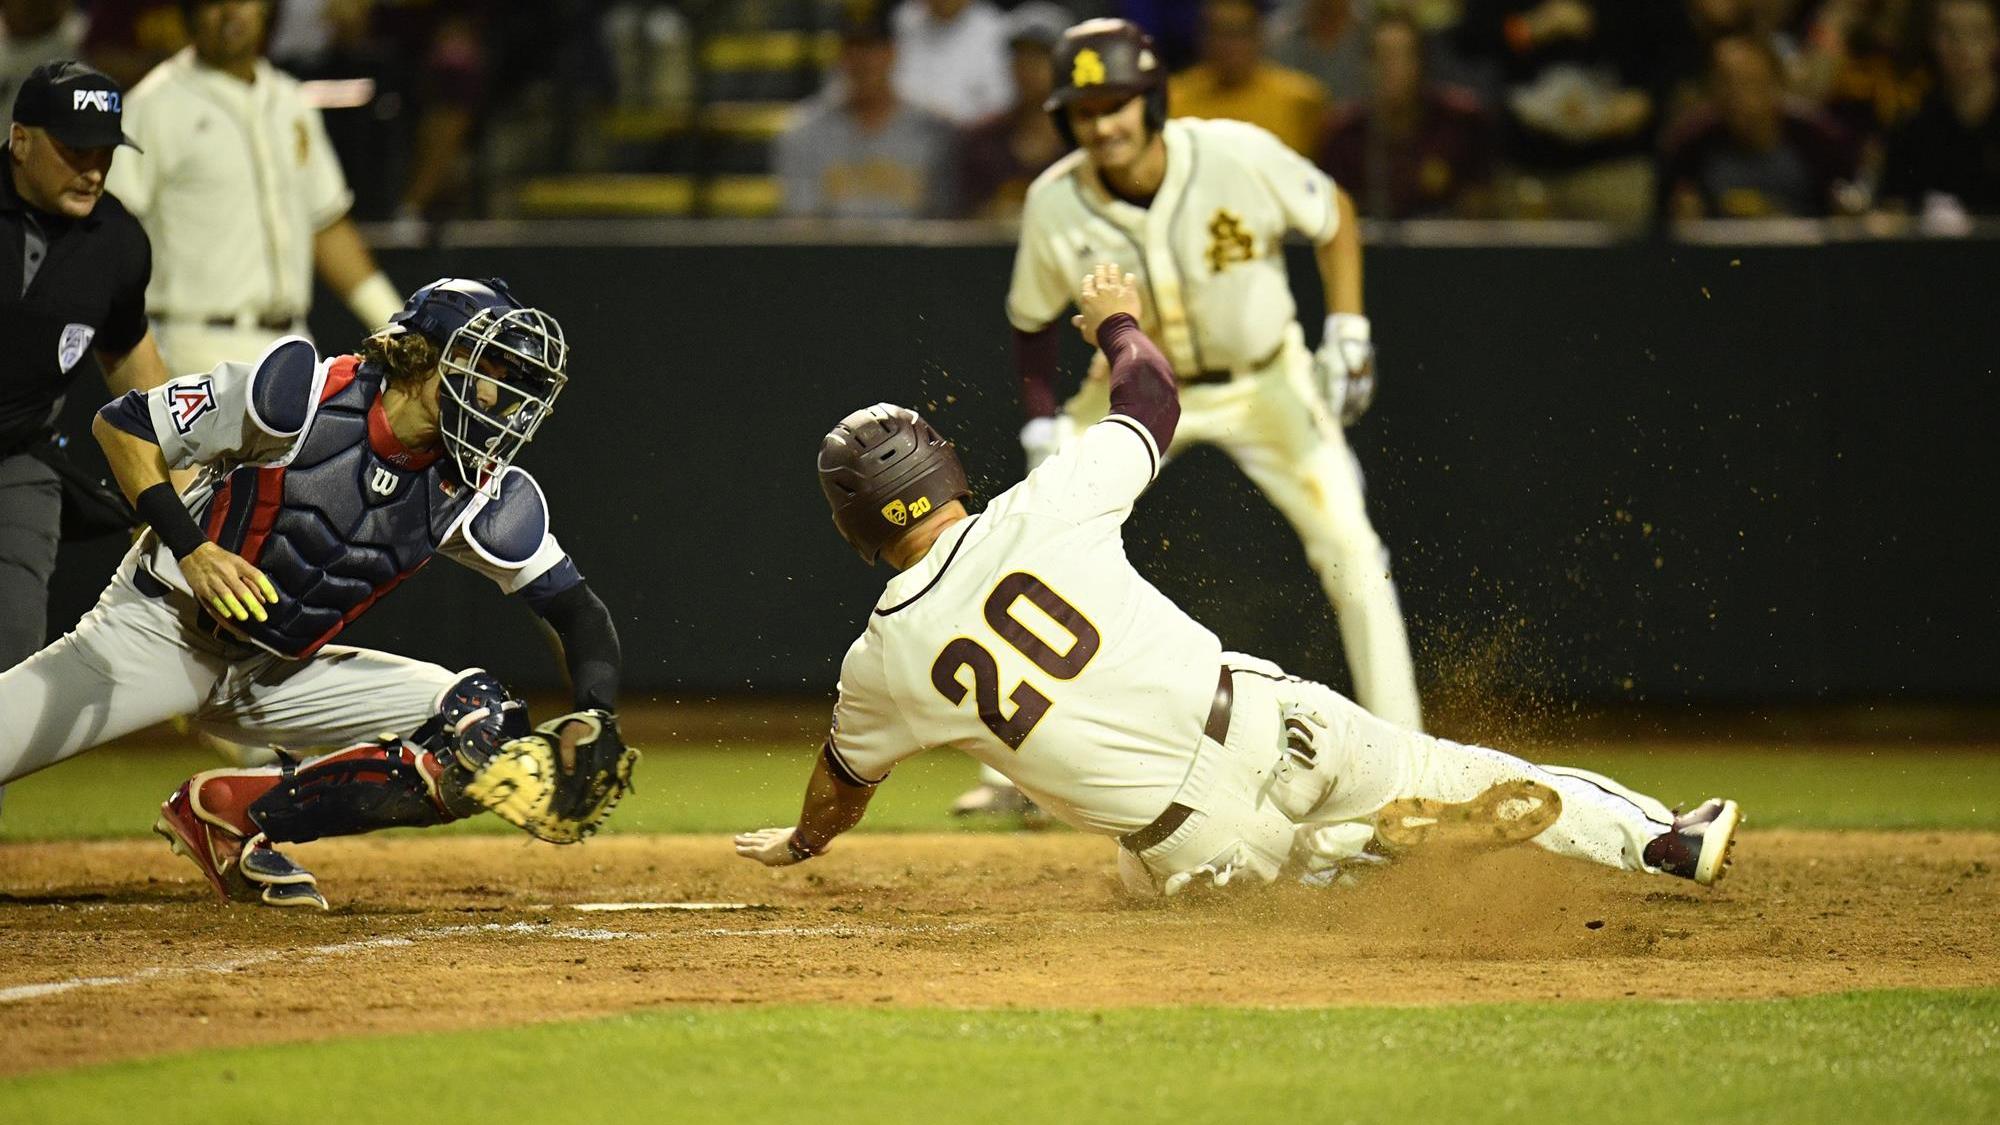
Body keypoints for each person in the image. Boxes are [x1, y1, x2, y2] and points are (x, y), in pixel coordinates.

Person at [734, 263, 1743, 897]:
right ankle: (1659, 840)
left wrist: (804, 843)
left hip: (1194, 847)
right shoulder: (1046, 504)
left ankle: (1352, 858)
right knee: (1454, 771)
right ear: (946, 469)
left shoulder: (880, 663)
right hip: (1272, 723)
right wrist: (1118, 323)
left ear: (854, 525)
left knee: (1152, 882)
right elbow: (1151, 398)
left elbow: (841, 786)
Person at [0, 276, 628, 909]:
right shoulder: (299, 392)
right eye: (489, 368)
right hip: (161, 633)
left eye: (511, 380)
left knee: (484, 729)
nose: (500, 398)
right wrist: (192, 548)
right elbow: (124, 424)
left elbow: (576, 609)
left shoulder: (474, 486)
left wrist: (595, 712)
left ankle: (228, 814)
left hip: (277, 672)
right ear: (431, 351)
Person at [961, 18, 1421, 822]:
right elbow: (1031, 321)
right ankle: (1016, 774)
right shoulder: (1054, 201)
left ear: (1151, 100)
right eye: (1084, 110)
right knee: (1033, 550)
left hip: (1266, 382)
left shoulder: (1233, 154)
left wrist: (1348, 326)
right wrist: (1042, 422)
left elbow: (1333, 214)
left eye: (1116, 103)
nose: (1102, 124)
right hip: (1136, 394)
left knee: (1353, 550)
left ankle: (1406, 764)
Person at [0, 60, 175, 819]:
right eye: (74, 148)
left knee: (8, 662)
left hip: (17, 462)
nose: (93, 168)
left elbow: (130, 361)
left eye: (104, 150)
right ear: (20, 140)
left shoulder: (118, 242)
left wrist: (173, 489)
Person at [106, 0, 401, 378]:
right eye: (214, 3)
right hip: (192, 348)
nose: (230, 13)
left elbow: (326, 226)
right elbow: (110, 235)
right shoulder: (152, 105)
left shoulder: (291, 100)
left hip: (293, 345)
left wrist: (398, 326)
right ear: (189, 15)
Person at [777, 8, 957, 220]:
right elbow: (801, 225)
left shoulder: (933, 133)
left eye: (872, 49)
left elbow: (947, 223)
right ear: (840, 57)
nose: (863, 61)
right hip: (834, 243)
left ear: (893, 52)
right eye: (852, 49)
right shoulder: (804, 134)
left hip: (914, 242)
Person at [1318, 12, 1497, 219]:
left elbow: (1484, 204)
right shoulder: (1344, 135)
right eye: (1380, 57)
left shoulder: (1461, 123)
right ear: (1366, 66)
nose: (1389, 68)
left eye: (1400, 56)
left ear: (1421, 63)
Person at [1660, 34, 1858, 219]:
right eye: (1725, 83)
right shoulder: (1689, 144)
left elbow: (1846, 203)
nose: (1737, 96)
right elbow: (1668, 218)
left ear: (1774, 84)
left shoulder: (1819, 138)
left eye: (1748, 83)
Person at [1878, 0, 2000, 221]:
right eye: (1948, 32)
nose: (1962, 47)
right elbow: (1893, 213)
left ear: (1995, 38)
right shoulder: (1913, 130)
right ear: (1931, 39)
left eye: (1976, 32)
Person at [1168, 0, 1330, 156]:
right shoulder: (1173, 99)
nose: (1227, 45)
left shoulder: (1300, 100)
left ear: (1258, 36)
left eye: (1237, 33)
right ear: (1202, 38)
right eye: (1218, 32)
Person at [956, 2, 1071, 218]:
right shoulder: (985, 140)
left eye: (1041, 55)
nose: (1029, 67)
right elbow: (963, 218)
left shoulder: (1083, 139)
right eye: (1021, 56)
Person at [892, 0, 1014, 128]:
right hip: (906, 121)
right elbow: (897, 83)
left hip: (962, 130)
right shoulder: (908, 18)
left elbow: (1000, 103)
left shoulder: (990, 27)